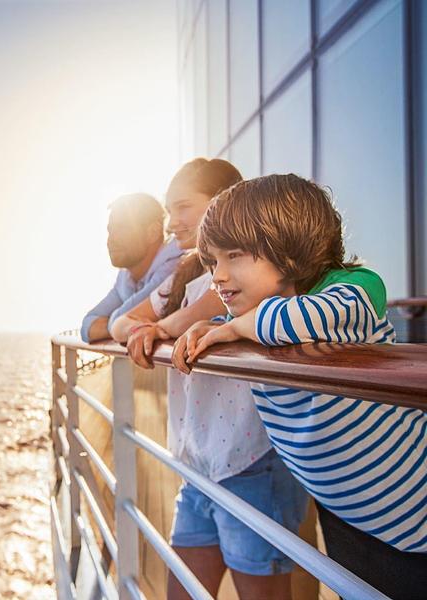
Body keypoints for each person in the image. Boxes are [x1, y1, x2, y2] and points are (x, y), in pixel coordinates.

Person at [174, 174, 427, 598]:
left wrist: (232, 327)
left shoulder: (354, 289)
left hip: (413, 509)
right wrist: (218, 326)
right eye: (210, 261)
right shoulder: (247, 320)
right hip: (347, 515)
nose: (217, 276)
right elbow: (260, 326)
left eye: (233, 255)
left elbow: (298, 319)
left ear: (289, 247)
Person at [114, 160, 309, 600]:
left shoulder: (254, 282)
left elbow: (207, 312)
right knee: (181, 591)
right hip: (197, 466)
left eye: (183, 206)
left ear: (229, 206)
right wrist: (146, 330)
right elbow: (122, 323)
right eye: (168, 210)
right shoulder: (187, 277)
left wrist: (163, 326)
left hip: (251, 464)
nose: (172, 221)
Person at [80, 193, 183, 343]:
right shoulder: (125, 277)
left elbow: (120, 319)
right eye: (110, 230)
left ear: (153, 233)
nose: (110, 240)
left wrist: (117, 324)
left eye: (121, 229)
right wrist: (118, 325)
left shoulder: (175, 266)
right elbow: (87, 326)